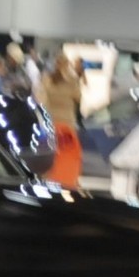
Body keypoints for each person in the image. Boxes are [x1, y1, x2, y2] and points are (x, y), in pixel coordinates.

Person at [39, 53, 85, 188]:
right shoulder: (72, 80)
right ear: (67, 65)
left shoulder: (47, 79)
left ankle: (50, 178)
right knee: (68, 155)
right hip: (67, 123)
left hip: (51, 122)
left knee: (51, 154)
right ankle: (69, 179)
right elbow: (78, 98)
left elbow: (42, 98)